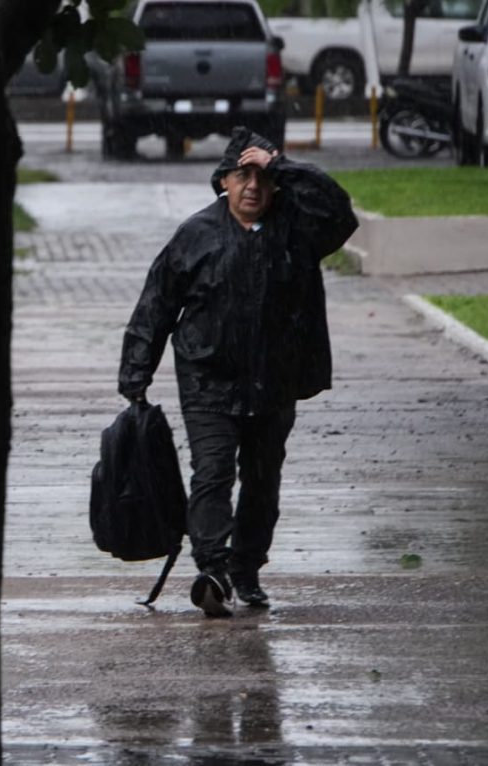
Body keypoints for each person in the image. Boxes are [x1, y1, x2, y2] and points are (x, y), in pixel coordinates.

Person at [117, 126, 358, 617]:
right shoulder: (195, 236)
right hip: (209, 380)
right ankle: (212, 569)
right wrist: (136, 372)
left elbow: (340, 212)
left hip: (275, 381)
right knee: (212, 473)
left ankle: (246, 568)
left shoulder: (298, 230)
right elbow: (156, 305)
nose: (253, 186)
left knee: (263, 480)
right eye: (242, 176)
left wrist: (284, 166)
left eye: (262, 178)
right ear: (223, 182)